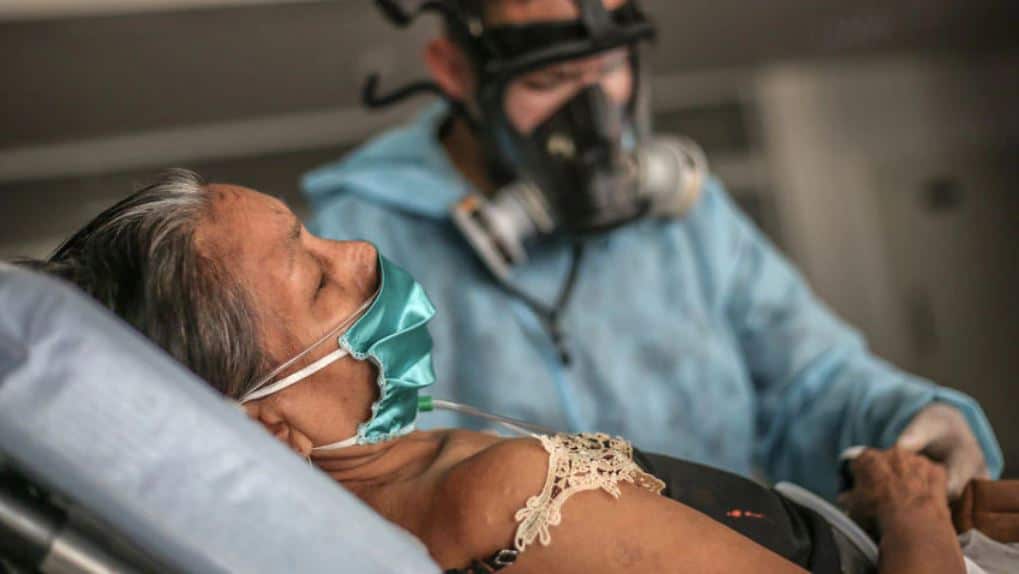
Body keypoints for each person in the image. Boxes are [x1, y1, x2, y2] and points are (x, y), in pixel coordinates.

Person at [24, 169, 981, 574]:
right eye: (316, 277)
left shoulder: (419, 483)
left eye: (313, 233)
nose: (359, 250)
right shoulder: (508, 494)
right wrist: (915, 513)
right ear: (267, 425)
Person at [299, 0, 1002, 499]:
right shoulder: (351, 241)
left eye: (607, 68)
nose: (594, 117)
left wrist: (909, 416)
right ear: (454, 71)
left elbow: (808, 381)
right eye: (547, 82)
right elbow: (378, 474)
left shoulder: (688, 216)